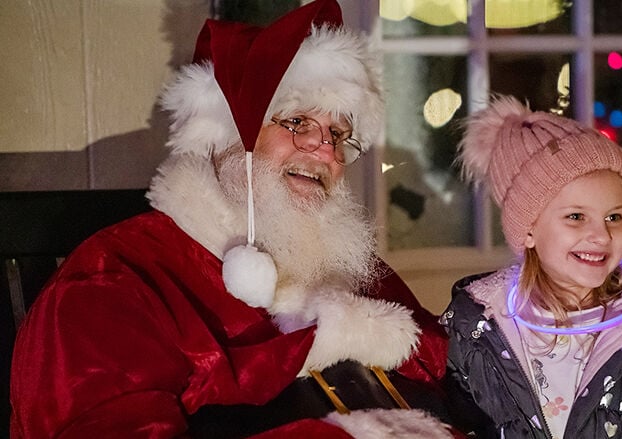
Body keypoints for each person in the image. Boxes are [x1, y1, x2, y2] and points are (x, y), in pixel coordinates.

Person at [10, 1, 457, 437]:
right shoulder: (113, 281)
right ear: (227, 137)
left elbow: (450, 369)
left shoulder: (346, 268)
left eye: (339, 134)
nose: (327, 151)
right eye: (298, 121)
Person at [442, 95, 622, 438]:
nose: (600, 234)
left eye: (614, 217)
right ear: (528, 229)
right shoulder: (477, 328)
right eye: (576, 216)